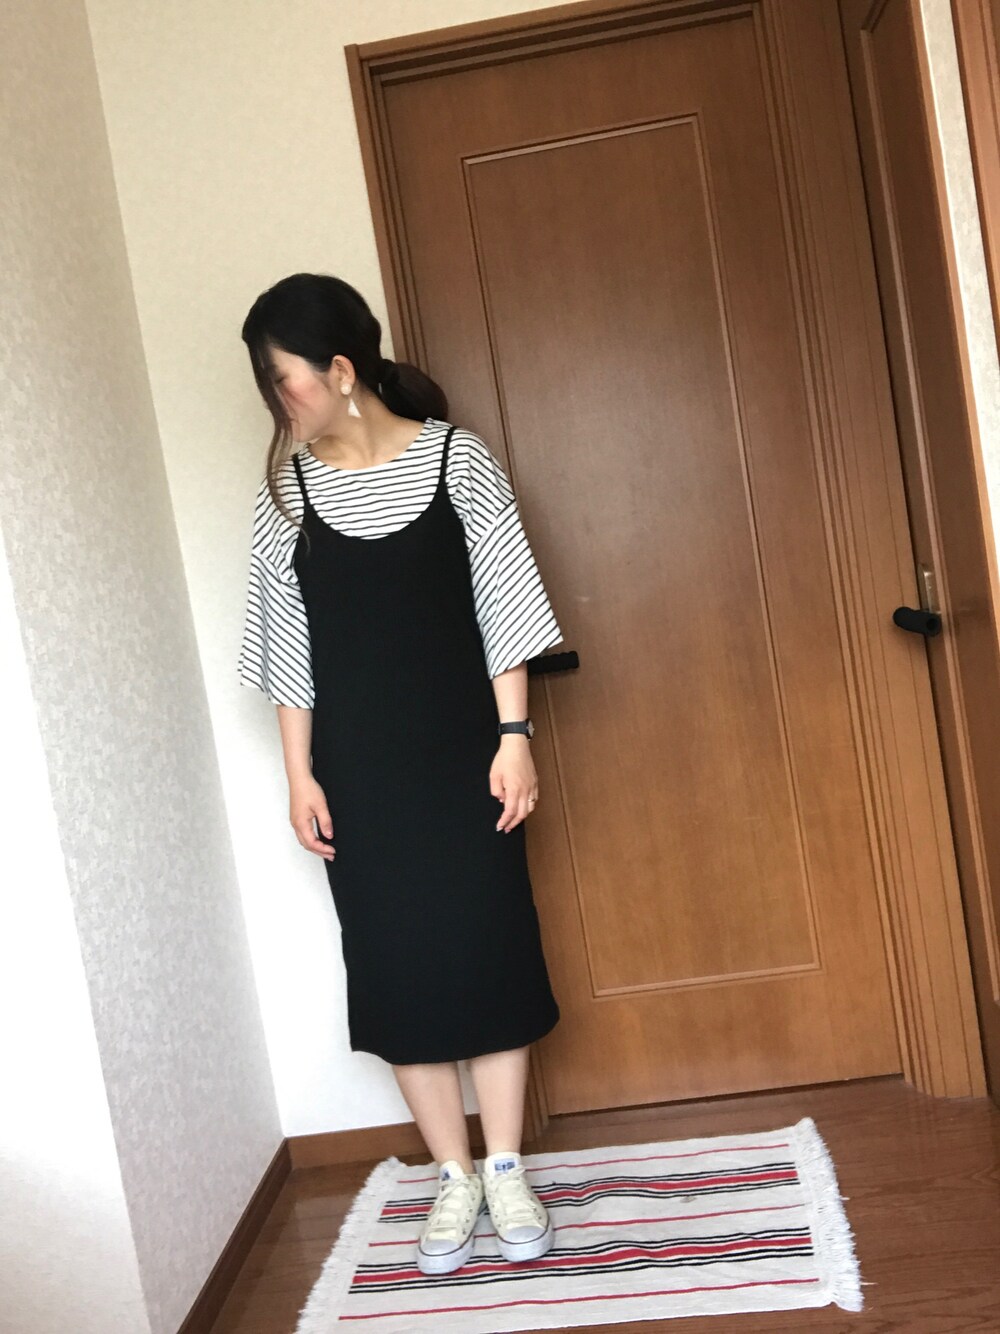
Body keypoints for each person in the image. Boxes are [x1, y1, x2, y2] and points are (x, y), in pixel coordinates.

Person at [237, 273, 564, 1275]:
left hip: (466, 757)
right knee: (396, 963)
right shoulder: (285, 501)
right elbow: (288, 656)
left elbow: (505, 608)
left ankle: (504, 1165)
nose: (276, 401)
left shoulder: (459, 462)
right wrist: (299, 776)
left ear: (340, 370)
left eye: (282, 379)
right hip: (361, 776)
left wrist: (514, 735)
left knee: (489, 944)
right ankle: (452, 1173)